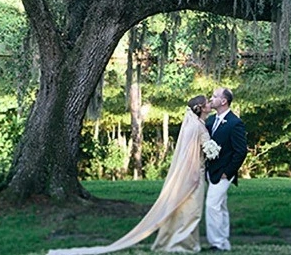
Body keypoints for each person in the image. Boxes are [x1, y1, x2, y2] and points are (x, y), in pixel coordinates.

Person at [47, 95, 213, 254]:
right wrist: (213, 151)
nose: (210, 104)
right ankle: (183, 243)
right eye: (207, 102)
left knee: (184, 209)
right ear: (201, 108)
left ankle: (180, 240)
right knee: (193, 210)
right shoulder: (197, 126)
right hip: (194, 174)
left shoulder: (193, 124)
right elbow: (195, 153)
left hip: (190, 173)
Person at [203, 87, 247, 252]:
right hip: (211, 171)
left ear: (223, 101)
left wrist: (227, 173)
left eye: (214, 96)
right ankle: (224, 243)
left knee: (212, 205)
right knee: (220, 207)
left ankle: (217, 243)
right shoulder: (210, 120)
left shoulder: (235, 123)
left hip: (223, 174)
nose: (211, 98)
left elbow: (240, 151)